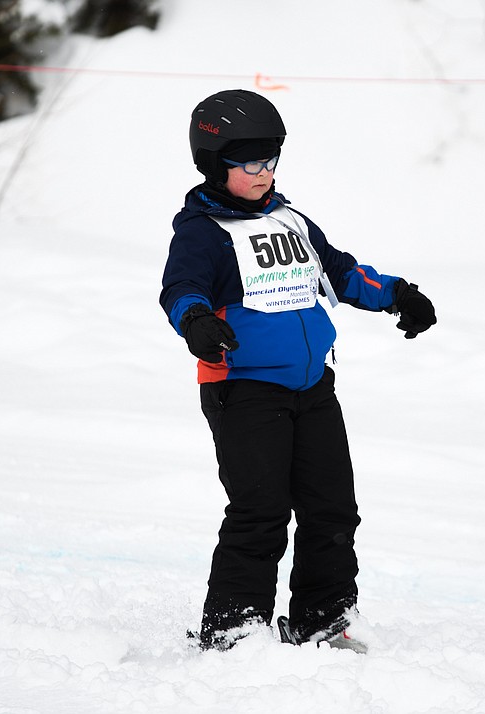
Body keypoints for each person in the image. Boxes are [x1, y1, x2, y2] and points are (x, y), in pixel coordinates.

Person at [159, 89, 436, 652]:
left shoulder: (291, 220)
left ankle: (322, 615)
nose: (264, 173)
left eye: (271, 160)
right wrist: (196, 324)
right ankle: (235, 624)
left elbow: (340, 272)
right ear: (215, 164)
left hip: (314, 387)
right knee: (260, 509)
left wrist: (398, 295)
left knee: (332, 506)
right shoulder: (202, 232)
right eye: (250, 163)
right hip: (244, 389)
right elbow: (180, 289)